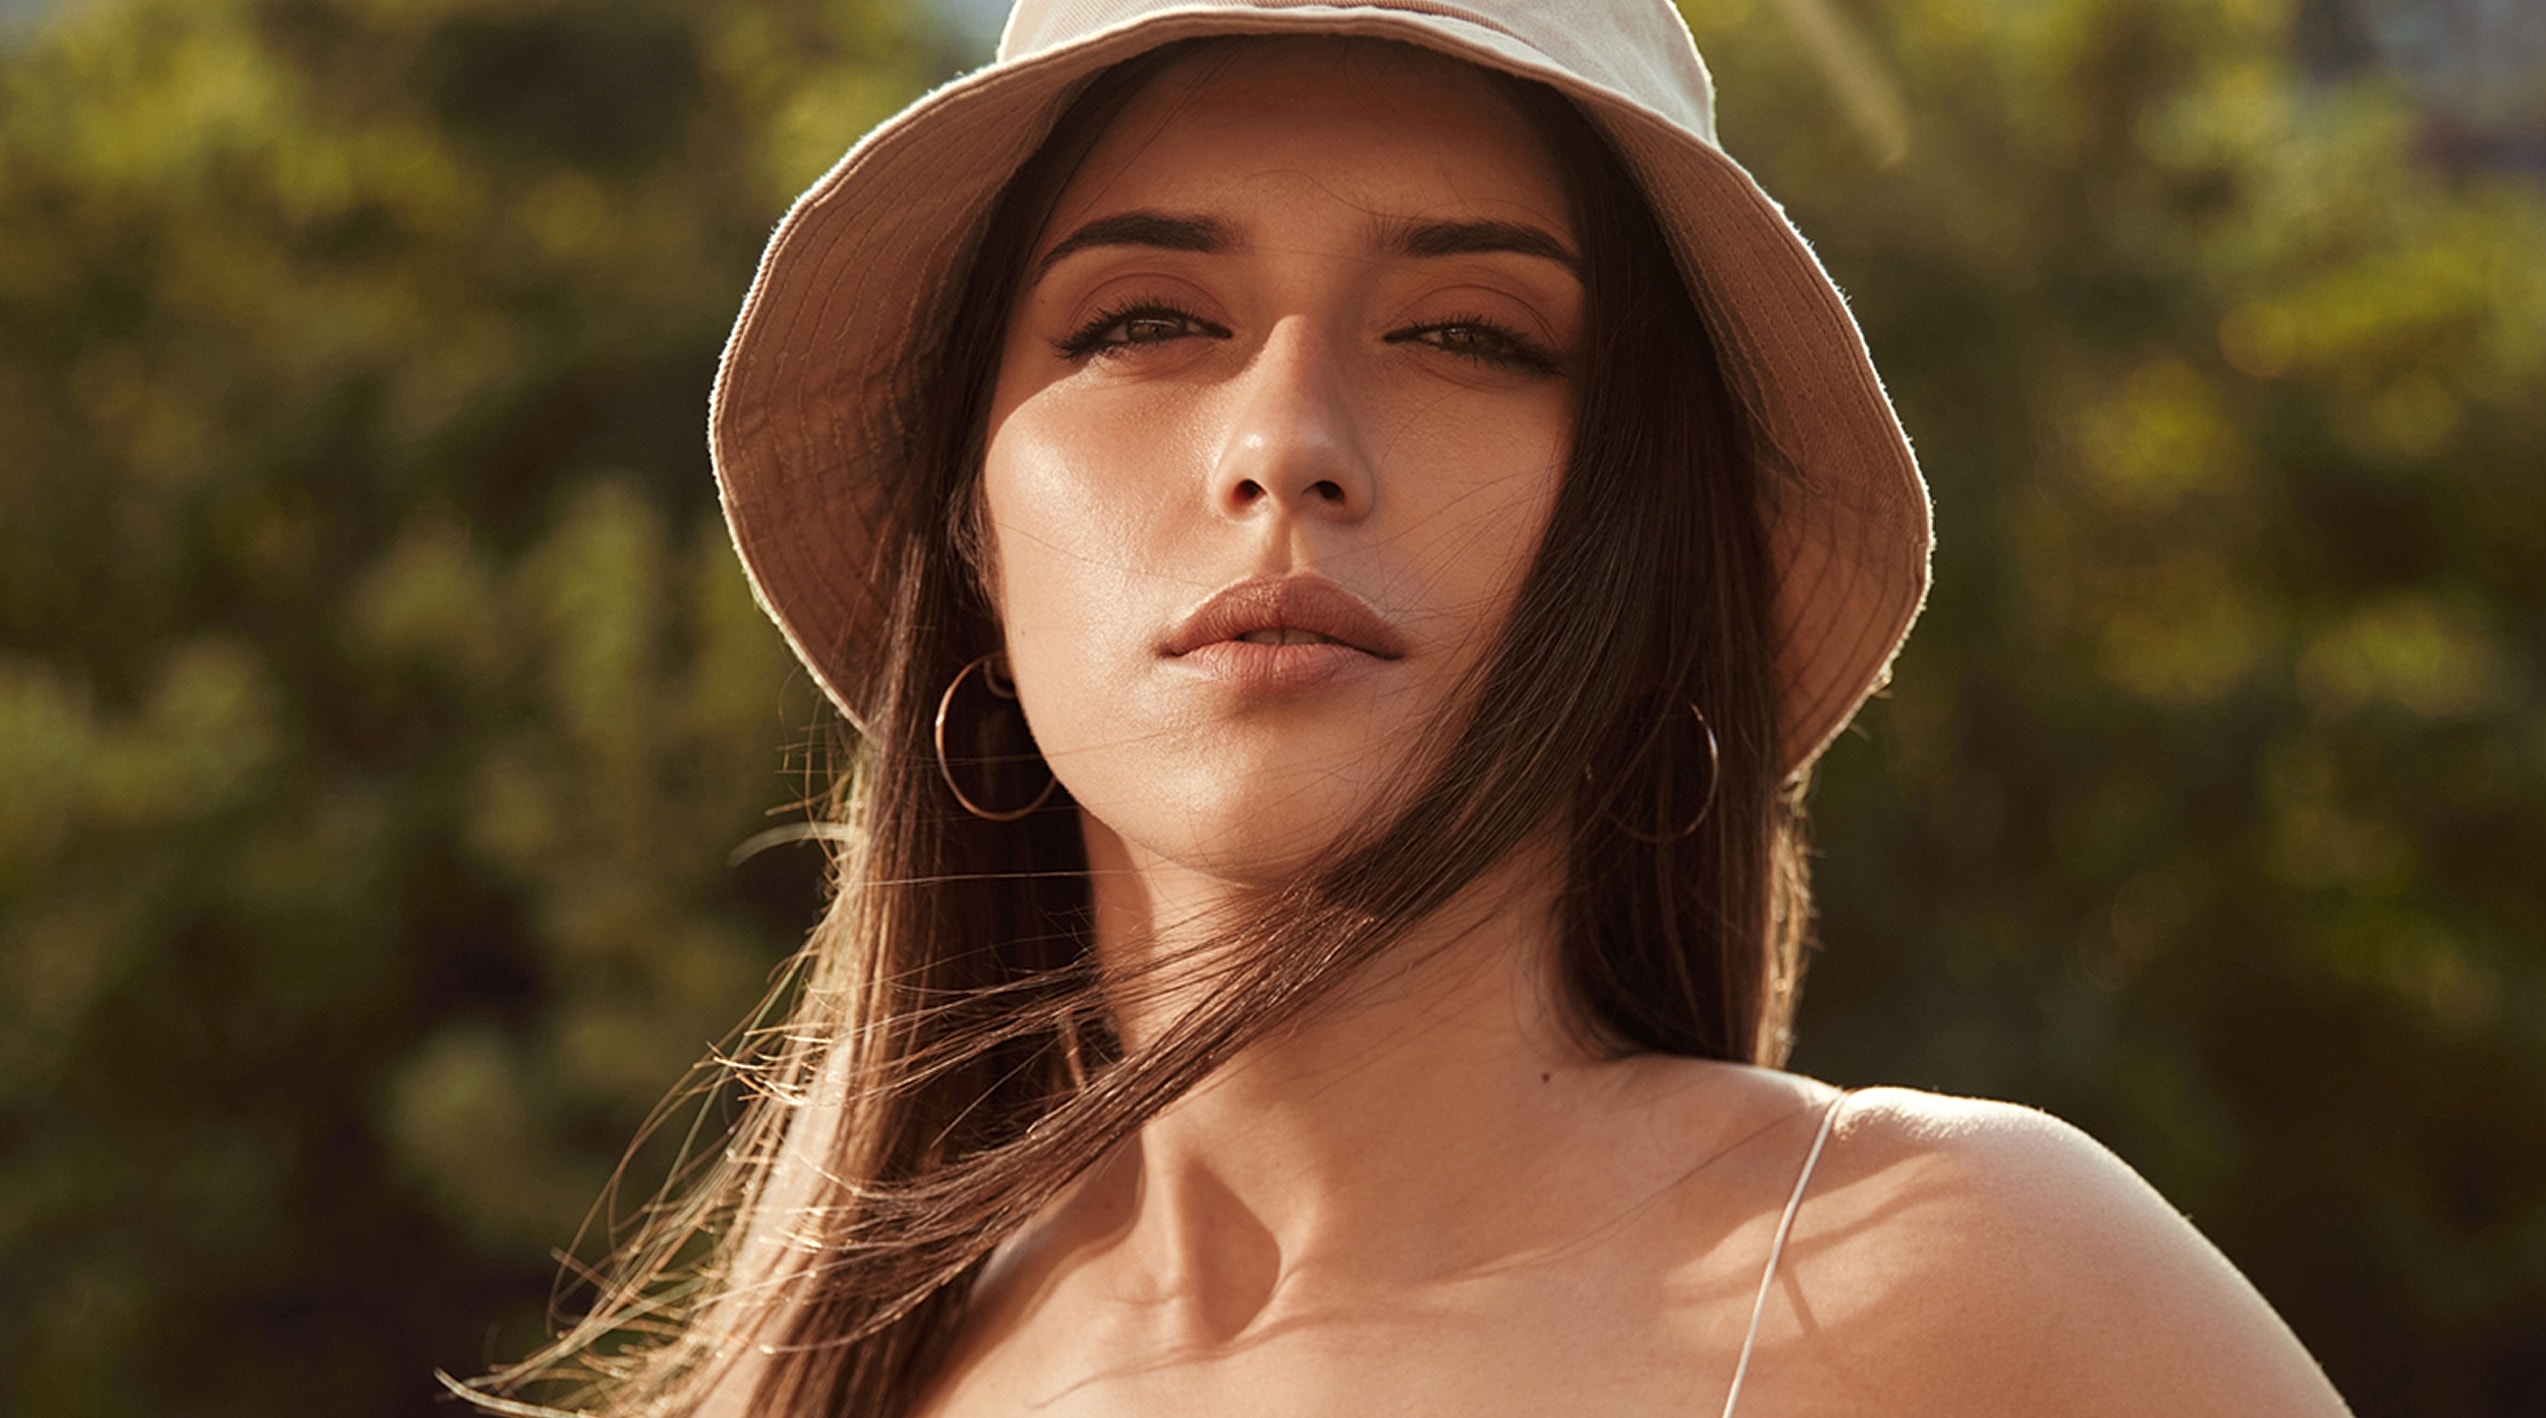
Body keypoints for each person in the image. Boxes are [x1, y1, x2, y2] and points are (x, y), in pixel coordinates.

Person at [470, 2, 2358, 1415]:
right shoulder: (827, 1379)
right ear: (971, 526)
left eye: (1471, 335)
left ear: (1643, 532)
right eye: (1142, 321)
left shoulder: (1951, 1293)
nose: (1286, 443)